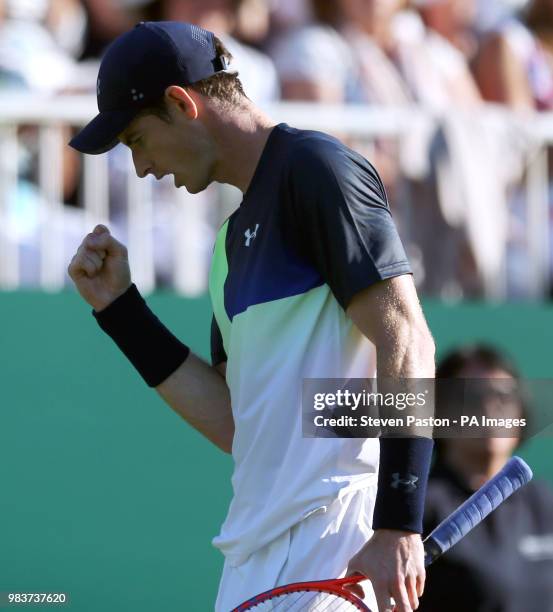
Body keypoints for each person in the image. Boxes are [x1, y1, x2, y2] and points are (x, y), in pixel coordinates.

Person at [67, 21, 435, 612]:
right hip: (251, 560)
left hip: (335, 537)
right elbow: (239, 425)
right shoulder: (227, 245)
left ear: (181, 103)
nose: (140, 168)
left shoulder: (318, 169)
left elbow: (408, 342)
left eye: (136, 140)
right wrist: (120, 311)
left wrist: (398, 523)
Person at [420, 345, 553, 612]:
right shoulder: (415, 509)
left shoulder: (545, 502)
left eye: (503, 396)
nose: (489, 407)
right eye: (472, 397)